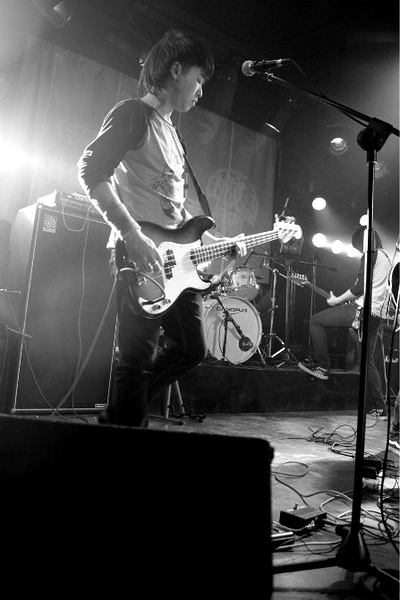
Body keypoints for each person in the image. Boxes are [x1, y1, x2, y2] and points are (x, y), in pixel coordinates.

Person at [77, 29, 247, 428]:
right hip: (139, 252)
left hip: (175, 260)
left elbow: (175, 210)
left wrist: (214, 241)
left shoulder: (174, 135)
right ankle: (125, 420)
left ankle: (122, 412)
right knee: (137, 356)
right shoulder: (133, 114)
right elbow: (90, 170)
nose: (201, 91)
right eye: (199, 79)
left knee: (191, 349)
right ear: (175, 70)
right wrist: (131, 234)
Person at [298, 226, 392, 417]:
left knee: (316, 321)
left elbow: (360, 286)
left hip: (361, 311)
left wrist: (337, 300)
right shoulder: (386, 257)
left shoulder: (370, 254)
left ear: (364, 239)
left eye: (358, 246)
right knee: (368, 362)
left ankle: (322, 366)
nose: (360, 250)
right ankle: (379, 406)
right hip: (375, 315)